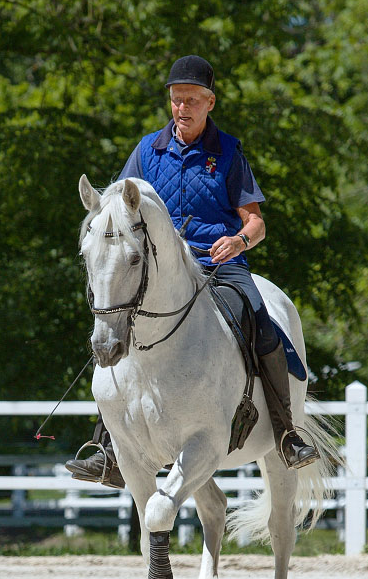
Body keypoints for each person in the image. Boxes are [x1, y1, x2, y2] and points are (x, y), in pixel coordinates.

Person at [66, 55, 319, 488]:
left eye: (190, 101)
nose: (181, 108)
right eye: (175, 100)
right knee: (115, 329)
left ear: (210, 103)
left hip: (220, 265)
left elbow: (255, 222)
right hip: (161, 271)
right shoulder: (147, 151)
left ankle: (287, 432)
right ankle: (107, 445)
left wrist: (239, 241)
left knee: (263, 323)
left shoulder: (229, 154)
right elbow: (116, 208)